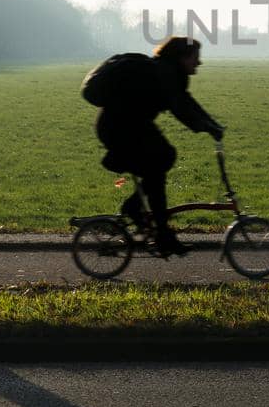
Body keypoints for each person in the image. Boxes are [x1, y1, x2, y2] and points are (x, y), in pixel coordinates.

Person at [93, 35, 223, 257]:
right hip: (119, 128)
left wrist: (211, 124)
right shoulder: (166, 73)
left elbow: (186, 101)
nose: (198, 63)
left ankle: (145, 218)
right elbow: (179, 107)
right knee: (159, 164)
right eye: (195, 57)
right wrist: (207, 127)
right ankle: (160, 232)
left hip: (131, 125)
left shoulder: (170, 72)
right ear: (182, 57)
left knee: (163, 159)